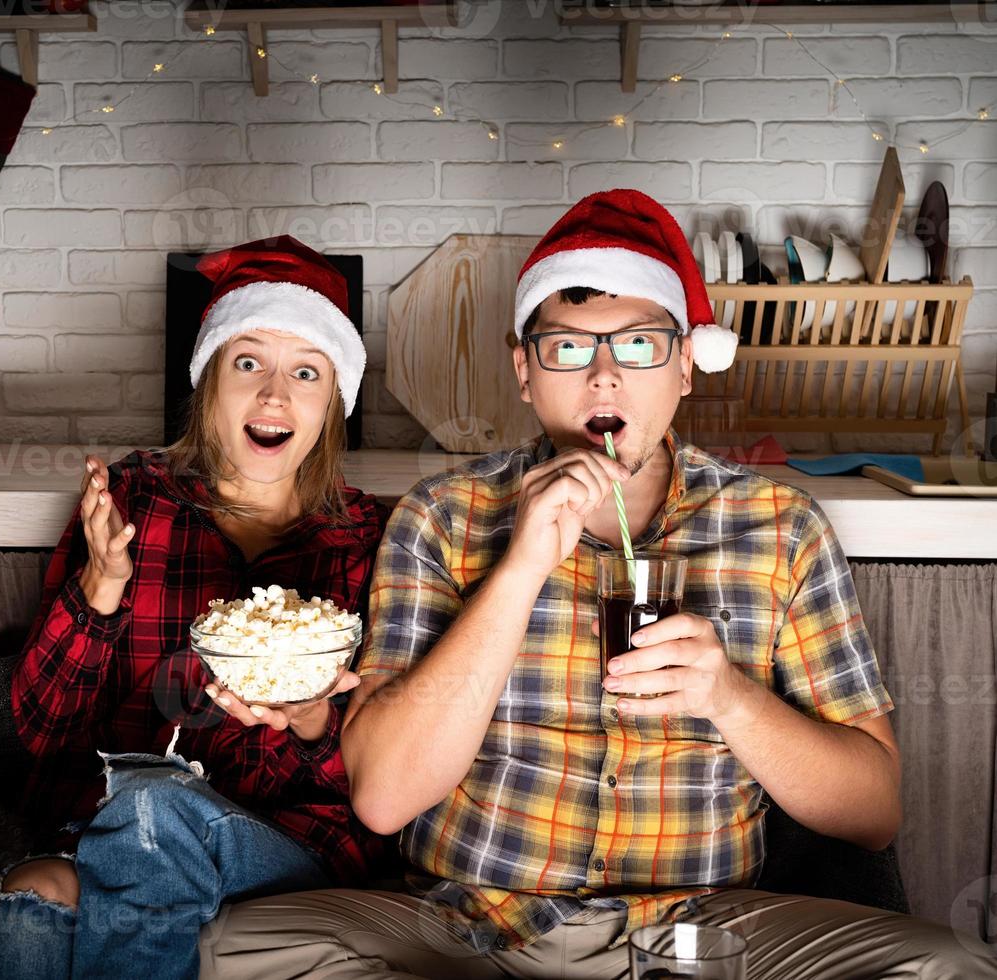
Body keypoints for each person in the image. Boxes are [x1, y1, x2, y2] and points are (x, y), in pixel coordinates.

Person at [198, 190, 997, 978]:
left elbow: (870, 814)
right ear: (523, 371)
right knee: (238, 947)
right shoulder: (442, 515)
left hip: (701, 927)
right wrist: (518, 572)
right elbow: (382, 799)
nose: (604, 378)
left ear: (685, 365)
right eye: (569, 349)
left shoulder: (781, 526)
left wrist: (728, 696)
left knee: (947, 964)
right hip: (467, 926)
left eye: (640, 345)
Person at [0, 236, 386, 980]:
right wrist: (100, 588)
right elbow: (42, 728)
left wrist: (314, 716)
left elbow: (385, 783)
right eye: (247, 362)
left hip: (285, 844)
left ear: (333, 403)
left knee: (158, 807)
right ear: (208, 382)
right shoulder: (132, 502)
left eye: (306, 372)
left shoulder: (367, 541)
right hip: (111, 824)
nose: (273, 396)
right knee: (36, 894)